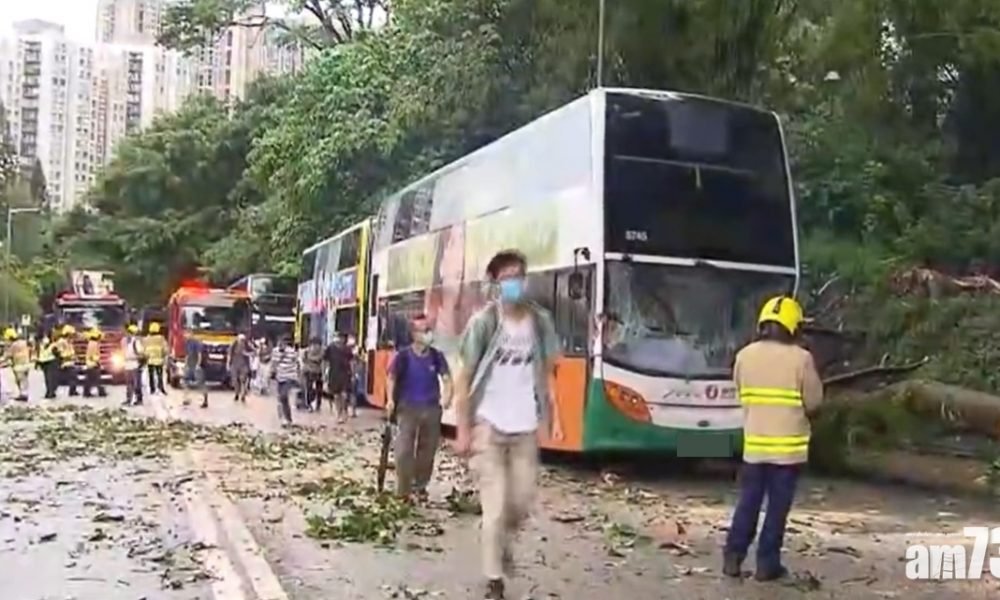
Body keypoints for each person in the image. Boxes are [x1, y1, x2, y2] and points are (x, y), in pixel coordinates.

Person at [453, 249, 564, 600]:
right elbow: (464, 376)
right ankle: (494, 580)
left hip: (525, 426)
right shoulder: (484, 323)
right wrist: (463, 429)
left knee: (521, 501)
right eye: (507, 277)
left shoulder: (540, 321)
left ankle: (498, 540)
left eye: (519, 275)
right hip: (489, 424)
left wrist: (555, 419)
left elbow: (548, 375)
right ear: (496, 284)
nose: (514, 282)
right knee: (495, 506)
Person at [722, 295, 823, 581]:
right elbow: (814, 403)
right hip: (788, 452)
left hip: (755, 447)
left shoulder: (744, 356)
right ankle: (767, 565)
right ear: (793, 327)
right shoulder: (801, 359)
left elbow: (741, 393)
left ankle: (733, 556)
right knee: (776, 511)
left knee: (748, 504)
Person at [386, 314, 452, 502]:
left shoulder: (436, 356)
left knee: (427, 450)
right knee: (404, 450)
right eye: (424, 331)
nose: (428, 334)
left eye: (429, 330)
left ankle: (420, 486)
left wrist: (447, 396)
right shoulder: (403, 356)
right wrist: (390, 400)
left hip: (431, 408)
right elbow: (391, 378)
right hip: (408, 408)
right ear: (414, 334)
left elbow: (447, 378)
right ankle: (403, 490)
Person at [324, 332, 354, 422]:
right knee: (336, 395)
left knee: (344, 395)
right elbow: (325, 360)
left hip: (345, 374)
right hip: (334, 374)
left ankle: (344, 410)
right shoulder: (330, 348)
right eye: (338, 337)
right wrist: (325, 373)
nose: (340, 339)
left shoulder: (347, 349)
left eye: (342, 338)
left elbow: (351, 361)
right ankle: (339, 414)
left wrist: (353, 373)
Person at [270, 336, 299, 427]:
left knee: (283, 396)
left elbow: (297, 363)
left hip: (289, 377)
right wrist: (271, 373)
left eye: (282, 343)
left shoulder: (292, 352)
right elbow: (273, 363)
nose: (281, 344)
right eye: (279, 343)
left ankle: (286, 419)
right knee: (281, 399)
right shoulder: (275, 351)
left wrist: (297, 375)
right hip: (279, 377)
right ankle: (285, 418)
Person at [4, 328, 31, 401]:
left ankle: (23, 395)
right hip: (26, 364)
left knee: (20, 380)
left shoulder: (13, 345)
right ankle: (24, 394)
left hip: (18, 366)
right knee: (24, 380)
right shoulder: (23, 342)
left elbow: (7, 356)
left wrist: (3, 361)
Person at [122, 323, 145, 406]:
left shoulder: (136, 342)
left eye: (129, 332)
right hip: (127, 365)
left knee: (136, 384)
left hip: (135, 365)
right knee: (129, 384)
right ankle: (129, 400)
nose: (127, 334)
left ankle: (139, 399)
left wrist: (136, 359)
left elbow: (141, 353)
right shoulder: (125, 341)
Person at [183, 334, 209, 408]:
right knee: (185, 381)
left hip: (196, 366)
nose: (185, 336)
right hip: (190, 365)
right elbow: (187, 354)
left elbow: (199, 354)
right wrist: (186, 364)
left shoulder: (196, 343)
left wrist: (198, 365)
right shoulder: (187, 343)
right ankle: (186, 399)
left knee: (200, 383)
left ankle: (205, 400)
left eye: (186, 334)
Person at [227, 332, 253, 403]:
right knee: (235, 380)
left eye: (243, 340)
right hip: (234, 364)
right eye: (241, 340)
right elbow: (229, 354)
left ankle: (243, 395)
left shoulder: (247, 345)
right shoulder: (233, 345)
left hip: (244, 365)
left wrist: (247, 354)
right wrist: (228, 364)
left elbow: (254, 352)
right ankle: (236, 393)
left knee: (243, 380)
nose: (242, 341)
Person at [82, 327, 108, 398]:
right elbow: (94, 355)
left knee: (89, 379)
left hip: (89, 364)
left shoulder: (90, 343)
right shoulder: (94, 344)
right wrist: (97, 361)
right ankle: (101, 392)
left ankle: (86, 392)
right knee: (97, 379)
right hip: (93, 364)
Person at [301, 337, 324, 411]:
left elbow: (319, 359)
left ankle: (318, 405)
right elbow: (303, 359)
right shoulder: (306, 351)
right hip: (308, 371)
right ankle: (309, 404)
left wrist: (310, 359)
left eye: (317, 345)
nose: (315, 347)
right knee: (309, 389)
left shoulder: (322, 351)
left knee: (319, 390)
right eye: (313, 344)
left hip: (318, 372)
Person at [144, 322, 167, 395]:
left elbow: (144, 349)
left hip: (150, 360)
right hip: (158, 360)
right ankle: (161, 388)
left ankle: (152, 389)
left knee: (151, 376)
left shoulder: (147, 338)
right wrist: (163, 355)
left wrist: (145, 357)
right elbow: (165, 349)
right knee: (159, 375)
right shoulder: (161, 338)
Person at [56, 324, 79, 397]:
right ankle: (72, 391)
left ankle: (73, 390)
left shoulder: (69, 342)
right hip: (65, 363)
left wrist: (75, 357)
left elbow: (72, 351)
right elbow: (61, 353)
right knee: (72, 377)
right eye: (71, 334)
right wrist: (69, 356)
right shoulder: (61, 342)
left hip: (71, 362)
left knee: (74, 377)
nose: (72, 336)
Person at [35, 330, 58, 399]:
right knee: (51, 377)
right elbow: (55, 352)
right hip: (51, 360)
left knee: (47, 378)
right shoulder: (51, 343)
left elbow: (38, 352)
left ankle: (49, 392)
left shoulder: (39, 343)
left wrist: (37, 362)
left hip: (43, 361)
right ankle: (51, 392)